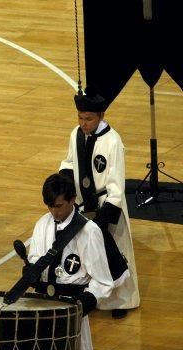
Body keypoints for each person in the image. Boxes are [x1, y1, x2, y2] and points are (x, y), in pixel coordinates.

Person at [24, 173, 114, 350]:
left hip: (73, 306)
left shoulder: (89, 232)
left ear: (73, 201)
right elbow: (35, 258)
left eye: (59, 206)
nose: (54, 211)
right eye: (50, 206)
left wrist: (86, 303)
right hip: (45, 305)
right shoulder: (43, 224)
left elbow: (102, 279)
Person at [59, 90, 138, 318]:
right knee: (89, 253)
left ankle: (120, 302)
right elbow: (69, 162)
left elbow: (116, 181)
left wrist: (105, 215)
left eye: (89, 119)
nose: (84, 124)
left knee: (115, 250)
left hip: (105, 203)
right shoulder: (76, 134)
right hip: (84, 203)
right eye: (80, 118)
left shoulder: (113, 141)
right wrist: (65, 186)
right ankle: (92, 297)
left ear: (101, 116)